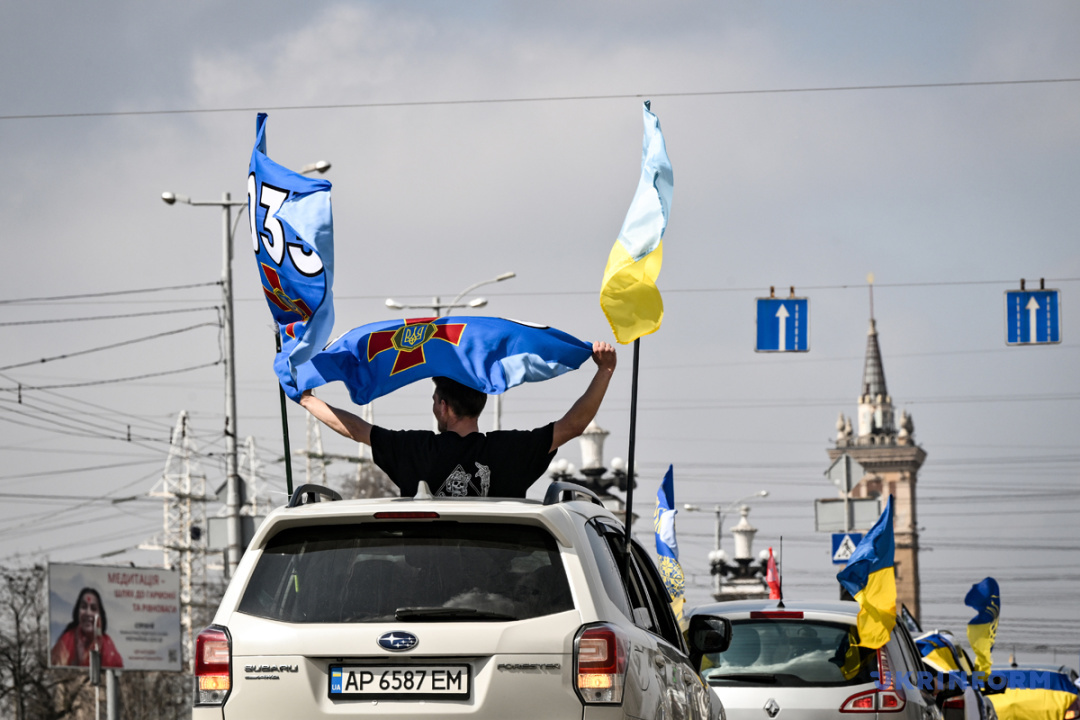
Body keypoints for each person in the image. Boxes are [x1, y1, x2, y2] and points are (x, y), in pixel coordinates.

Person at [300, 341, 617, 498]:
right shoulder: (510, 450)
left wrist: (306, 398)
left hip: (425, 585)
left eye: (435, 399)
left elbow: (355, 429)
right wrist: (604, 370)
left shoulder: (417, 449)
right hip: (503, 593)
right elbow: (574, 425)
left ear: (443, 407)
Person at [50, 587, 124, 668]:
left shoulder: (107, 645)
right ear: (78, 611)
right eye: (84, 607)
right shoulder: (65, 641)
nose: (88, 613)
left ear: (100, 615)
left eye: (93, 608)